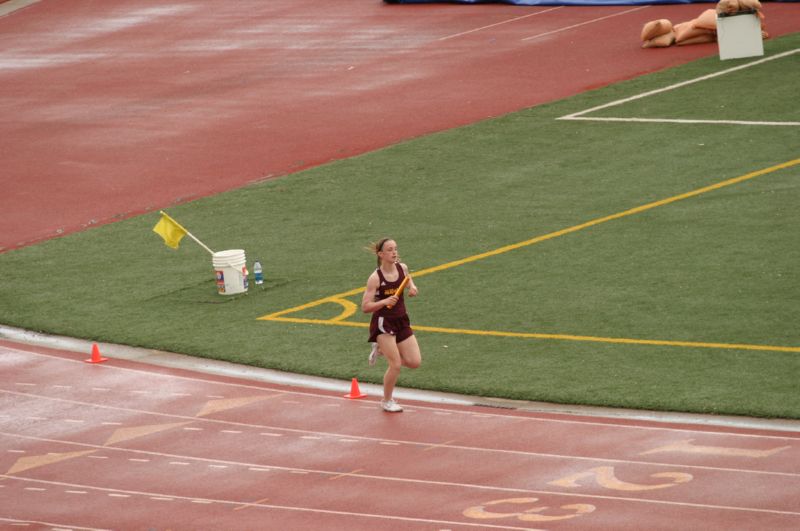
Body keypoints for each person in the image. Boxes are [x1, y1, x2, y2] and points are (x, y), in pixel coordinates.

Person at [361, 238, 422, 412]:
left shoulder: (402, 267)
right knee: (395, 364)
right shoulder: (375, 278)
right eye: (389, 250)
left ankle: (381, 350)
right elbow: (365, 307)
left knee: (414, 362)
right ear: (381, 254)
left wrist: (412, 287)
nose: (394, 252)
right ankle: (387, 401)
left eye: (395, 249)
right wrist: (385, 301)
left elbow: (407, 278)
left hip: (402, 320)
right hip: (383, 323)